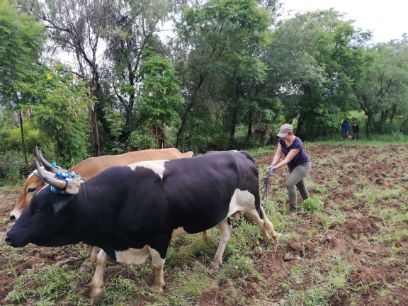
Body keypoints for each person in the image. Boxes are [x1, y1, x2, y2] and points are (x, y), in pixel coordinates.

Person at [267, 124, 311, 214]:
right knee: (300, 186)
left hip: (303, 165)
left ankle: (293, 210)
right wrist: (272, 164)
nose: (282, 137)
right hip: (292, 166)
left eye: (284, 134)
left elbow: (287, 159)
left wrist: (275, 168)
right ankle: (308, 202)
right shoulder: (281, 140)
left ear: (290, 133)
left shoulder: (297, 143)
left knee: (289, 184)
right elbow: (278, 154)